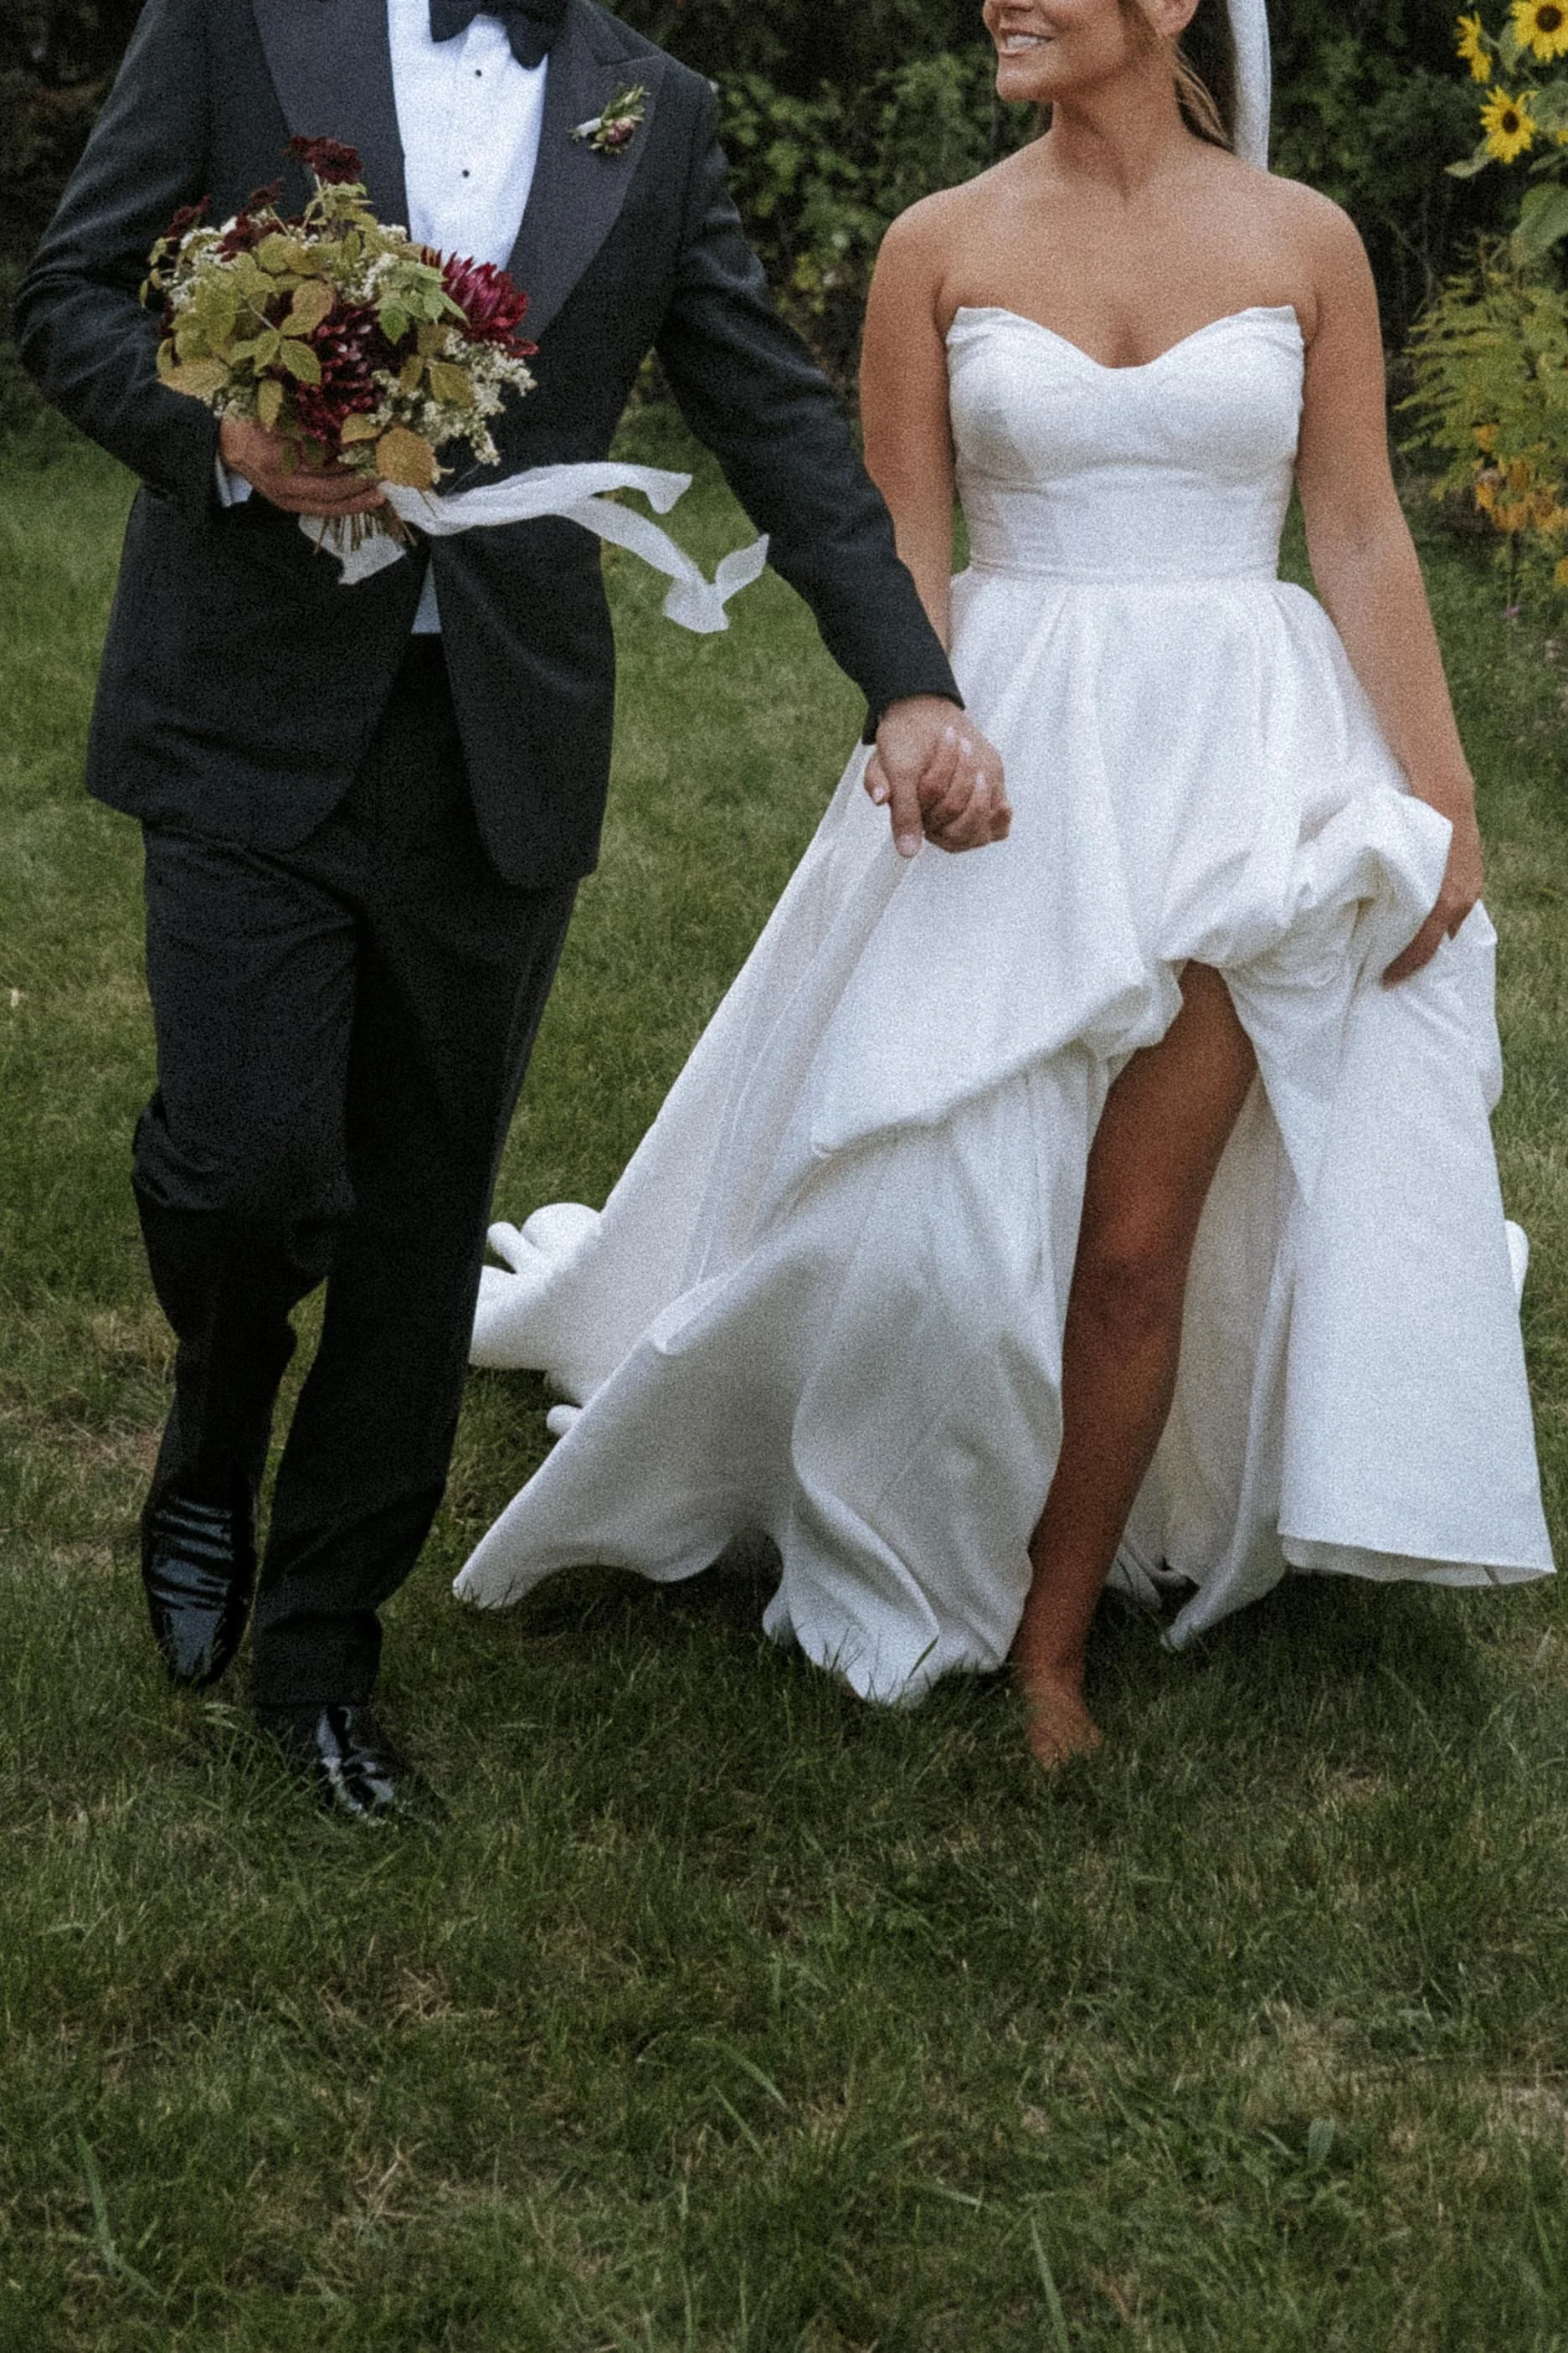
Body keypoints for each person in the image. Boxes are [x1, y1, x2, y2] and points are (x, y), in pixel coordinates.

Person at [453, 0, 1555, 1764]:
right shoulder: (937, 246)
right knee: (944, 1229)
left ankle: (1054, 1640)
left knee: (1135, 1250)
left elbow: (1352, 522)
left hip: (1241, 772)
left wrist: (1443, 791)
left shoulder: (1306, 242)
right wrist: (913, 718)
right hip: (1011, 756)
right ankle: (887, 1506)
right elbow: (908, 533)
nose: (998, 5)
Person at [15, 0, 1010, 1821]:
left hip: (497, 742)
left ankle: (321, 1653)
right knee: (247, 1169)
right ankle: (215, 1419)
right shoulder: (238, 26)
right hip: (243, 705)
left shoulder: (661, 110)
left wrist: (907, 679)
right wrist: (232, 441)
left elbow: (774, 416)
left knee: (416, 1214)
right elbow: (70, 294)